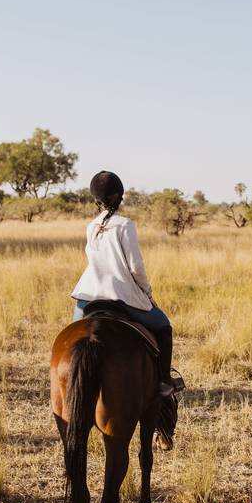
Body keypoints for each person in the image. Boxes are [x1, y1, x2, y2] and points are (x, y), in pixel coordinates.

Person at [71, 170, 185, 397]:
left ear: (96, 199)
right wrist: (147, 291)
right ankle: (163, 381)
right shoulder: (125, 225)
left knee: (72, 337)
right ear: (120, 196)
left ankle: (69, 383)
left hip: (87, 296)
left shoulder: (90, 226)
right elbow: (135, 267)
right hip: (120, 295)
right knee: (163, 326)